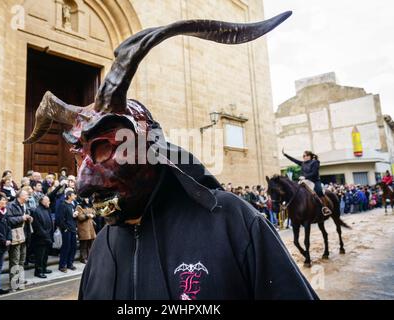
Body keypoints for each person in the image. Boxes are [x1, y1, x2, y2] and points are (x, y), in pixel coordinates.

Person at [24, 12, 317, 300]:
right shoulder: (102, 248)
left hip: (308, 180)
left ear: (151, 149)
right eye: (79, 153)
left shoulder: (235, 223)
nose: (83, 183)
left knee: (308, 188)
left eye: (105, 148)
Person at [282, 149, 332, 216]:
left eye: (305, 155)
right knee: (295, 190)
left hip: (314, 181)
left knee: (319, 191)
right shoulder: (303, 163)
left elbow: (314, 173)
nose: (304, 157)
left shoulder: (315, 162)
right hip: (304, 181)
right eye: (303, 156)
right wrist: (285, 155)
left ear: (309, 156)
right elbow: (294, 160)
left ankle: (324, 207)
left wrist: (305, 177)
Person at [6, 190, 33, 290]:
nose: (28, 196)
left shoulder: (25, 205)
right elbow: (8, 220)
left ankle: (20, 279)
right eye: (26, 194)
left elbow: (26, 217)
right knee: (15, 260)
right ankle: (14, 282)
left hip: (24, 236)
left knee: (22, 260)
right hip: (16, 236)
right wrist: (22, 218)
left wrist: (29, 218)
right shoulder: (11, 205)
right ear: (20, 196)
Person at [31, 196, 53, 278]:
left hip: (48, 236)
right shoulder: (37, 211)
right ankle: (38, 271)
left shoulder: (47, 209)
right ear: (42, 201)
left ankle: (44, 268)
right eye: (48, 201)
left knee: (45, 255)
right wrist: (46, 236)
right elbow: (38, 226)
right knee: (39, 256)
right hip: (40, 238)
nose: (49, 202)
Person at [57, 190, 78, 272]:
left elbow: (71, 217)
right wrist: (65, 228)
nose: (75, 196)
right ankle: (62, 265)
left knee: (73, 247)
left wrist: (75, 216)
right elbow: (60, 219)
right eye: (73, 195)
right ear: (69, 196)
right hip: (67, 230)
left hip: (73, 229)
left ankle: (70, 264)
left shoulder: (72, 205)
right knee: (66, 247)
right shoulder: (63, 205)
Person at [75, 198, 96, 264]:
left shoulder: (90, 205)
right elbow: (80, 217)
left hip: (90, 227)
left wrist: (93, 214)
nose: (87, 199)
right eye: (85, 198)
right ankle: (83, 258)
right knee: (84, 244)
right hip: (83, 227)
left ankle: (89, 257)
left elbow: (94, 213)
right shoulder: (79, 206)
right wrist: (87, 216)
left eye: (87, 198)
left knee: (90, 243)